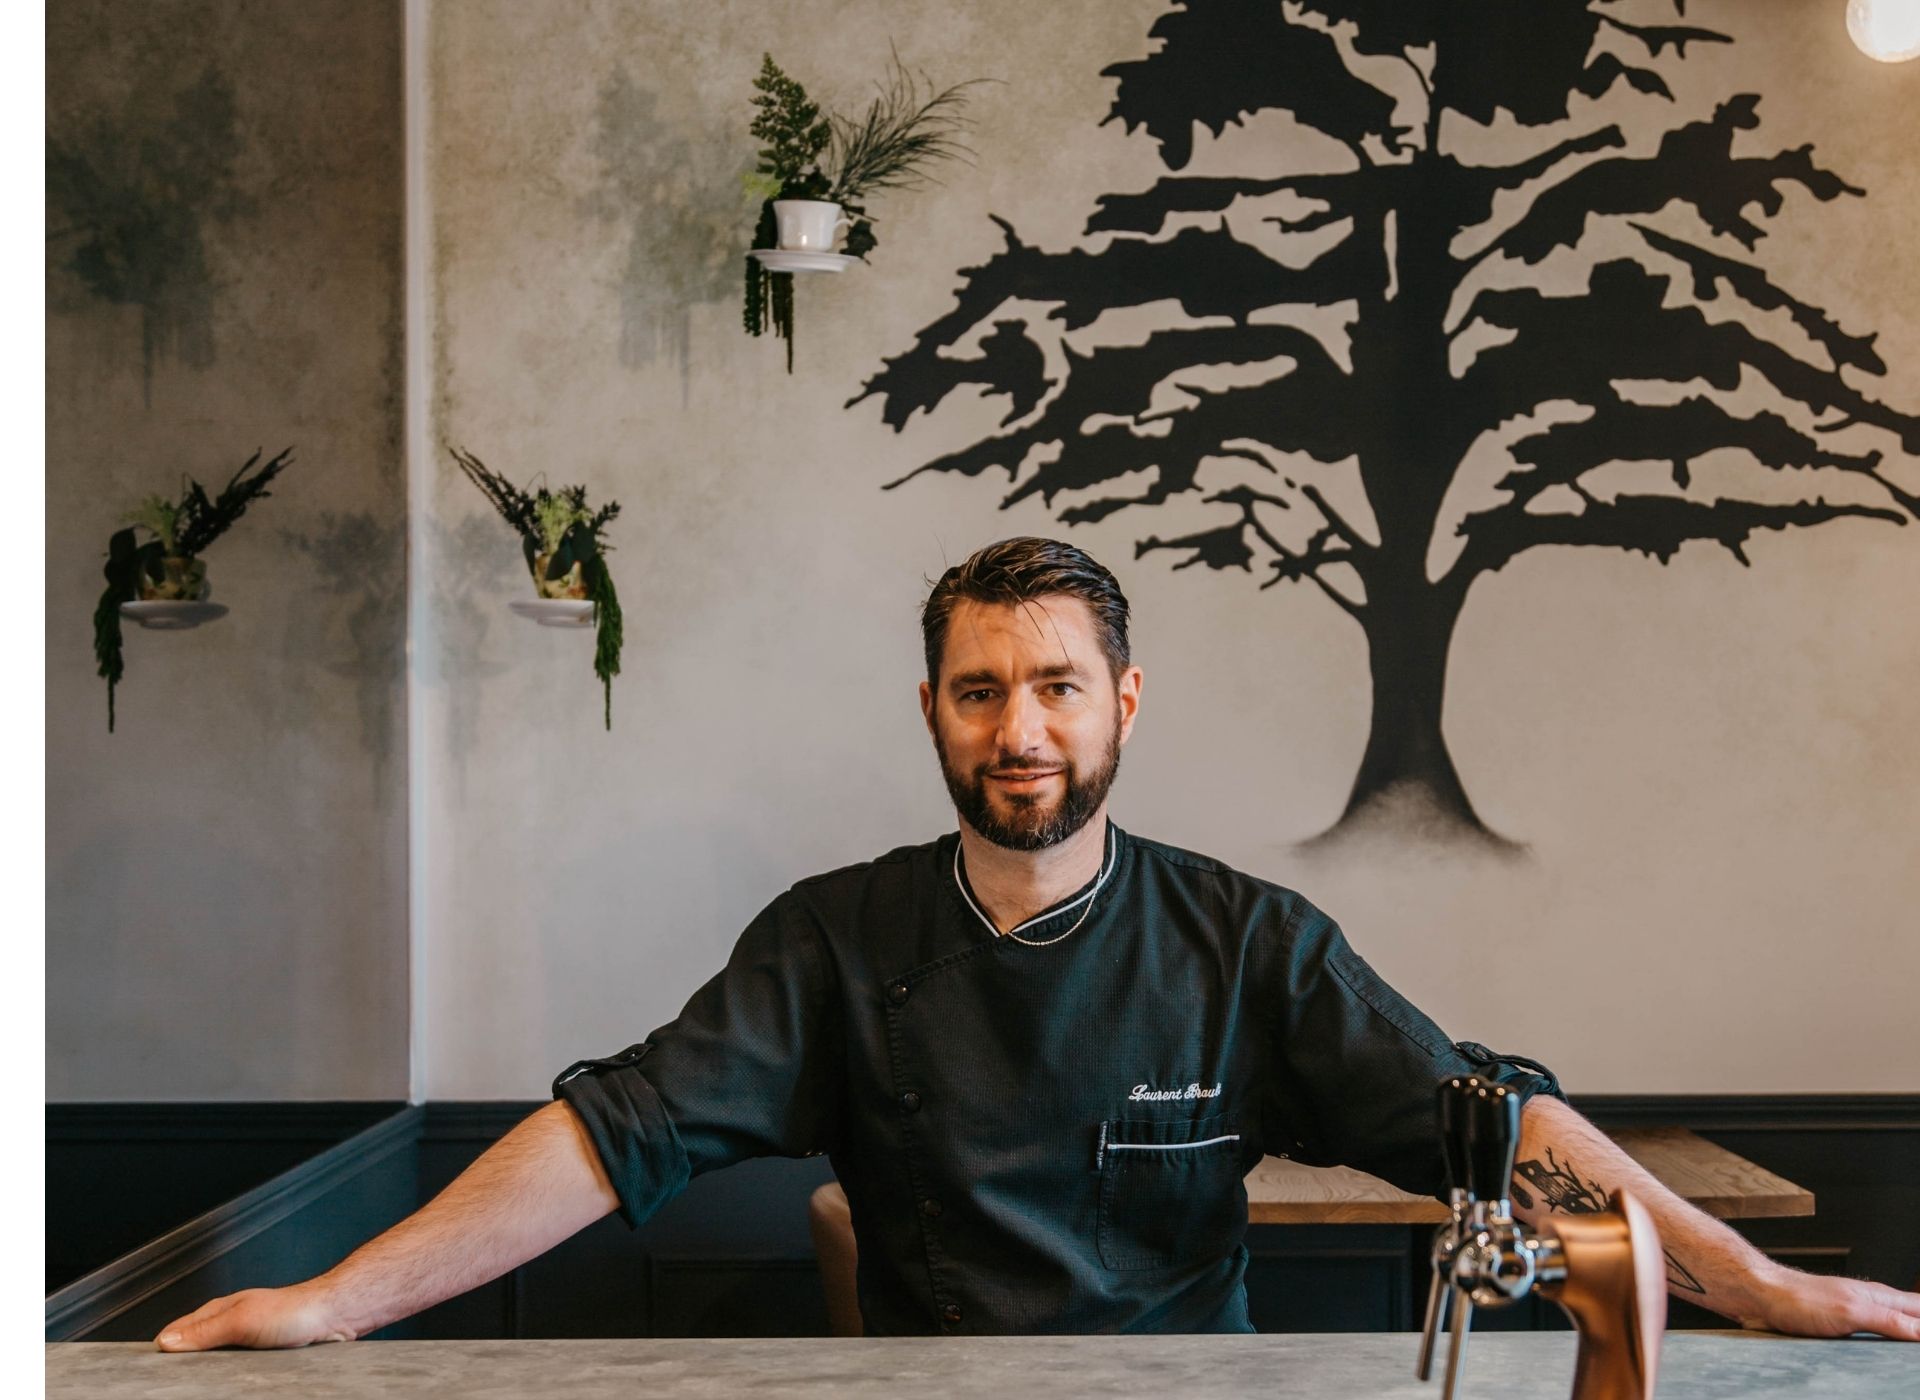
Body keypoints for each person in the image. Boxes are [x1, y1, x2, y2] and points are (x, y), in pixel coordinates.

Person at [156, 537, 1920, 1347]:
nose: (1023, 730)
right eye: (984, 690)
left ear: (1123, 702)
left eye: (1057, 688)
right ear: (933, 708)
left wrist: (1751, 1284)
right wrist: (325, 1306)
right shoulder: (836, 942)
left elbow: (1492, 1119)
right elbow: (617, 1134)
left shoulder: (1246, 942)